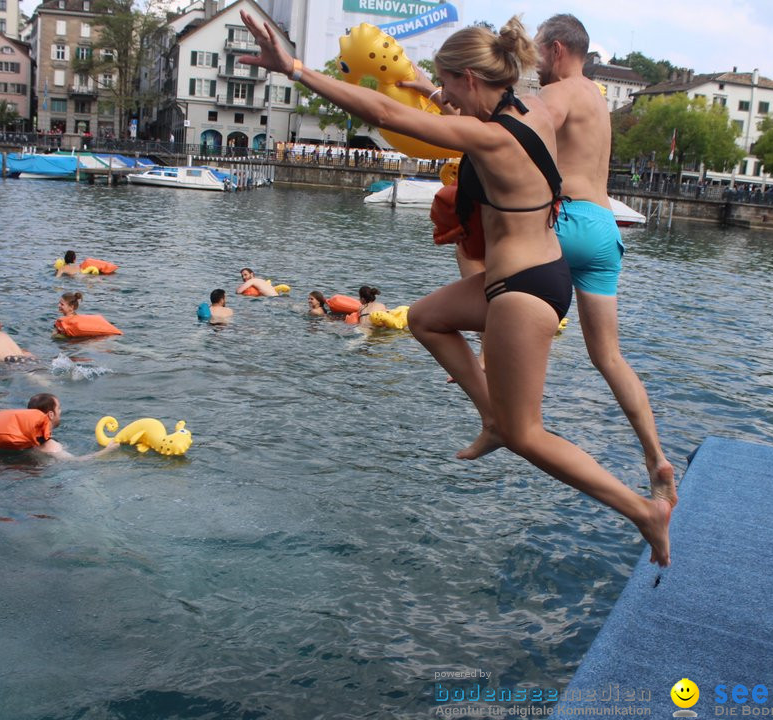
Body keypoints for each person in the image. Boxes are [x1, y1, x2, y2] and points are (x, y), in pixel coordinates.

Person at [238, 10, 671, 565]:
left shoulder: (490, 138)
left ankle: (641, 511)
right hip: (525, 276)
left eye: (446, 85)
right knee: (424, 318)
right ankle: (490, 417)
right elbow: (453, 107)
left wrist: (294, 67)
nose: (443, 96)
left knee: (529, 435)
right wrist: (430, 88)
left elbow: (384, 111)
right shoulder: (532, 108)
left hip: (525, 291)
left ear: (470, 79)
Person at [403, 14, 676, 508]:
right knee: (608, 356)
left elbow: (506, 124)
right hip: (603, 228)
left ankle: (489, 352)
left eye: (538, 57)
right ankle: (655, 457)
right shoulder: (598, 99)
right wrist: (442, 92)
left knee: (464, 220)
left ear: (555, 51)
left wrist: (440, 96)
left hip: (563, 222)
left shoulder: (564, 91)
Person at [26, 393, 119, 459]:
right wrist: (108, 450)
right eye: (58, 408)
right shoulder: (50, 446)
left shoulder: (27, 439)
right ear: (51, 414)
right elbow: (76, 461)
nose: (60, 411)